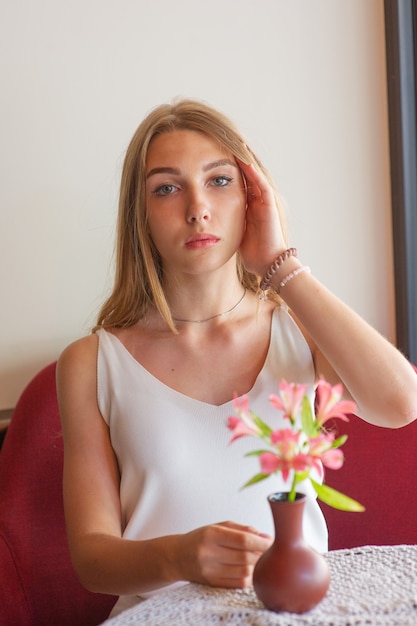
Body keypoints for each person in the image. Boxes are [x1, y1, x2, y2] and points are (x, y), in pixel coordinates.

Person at [56, 98, 417, 618]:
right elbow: (92, 559)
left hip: (291, 609)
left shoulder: (298, 331)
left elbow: (400, 404)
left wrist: (279, 266)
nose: (197, 207)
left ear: (252, 196)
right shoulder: (91, 362)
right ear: (142, 215)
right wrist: (176, 556)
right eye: (166, 187)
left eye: (219, 180)